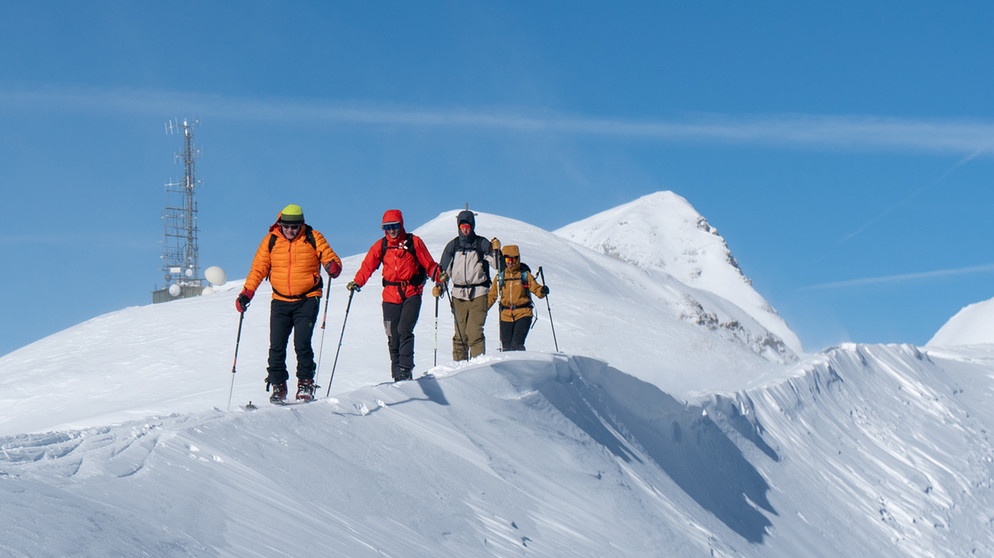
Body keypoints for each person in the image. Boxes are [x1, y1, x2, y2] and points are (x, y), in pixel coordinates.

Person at [235, 204, 342, 403]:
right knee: (276, 345)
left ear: (301, 224)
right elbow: (258, 269)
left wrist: (332, 266)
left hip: (307, 299)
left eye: (294, 227)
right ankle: (278, 385)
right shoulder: (271, 241)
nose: (290, 231)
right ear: (280, 224)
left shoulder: (313, 237)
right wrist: (246, 293)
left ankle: (305, 384)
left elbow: (329, 256)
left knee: (301, 343)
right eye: (286, 226)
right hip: (280, 300)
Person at [347, 209, 447, 381]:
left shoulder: (414, 242)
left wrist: (439, 275)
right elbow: (367, 266)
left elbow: (429, 264)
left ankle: (406, 370)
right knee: (392, 335)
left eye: (394, 226)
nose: (391, 230)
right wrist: (357, 282)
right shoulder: (381, 245)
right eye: (387, 227)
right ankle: (397, 373)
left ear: (401, 225)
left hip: (412, 293)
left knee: (404, 330)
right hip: (390, 296)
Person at [434, 210, 502, 361]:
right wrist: (439, 285)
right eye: (462, 226)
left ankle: (477, 367)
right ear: (458, 226)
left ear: (472, 226)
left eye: (468, 226)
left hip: (479, 293)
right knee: (460, 334)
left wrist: (497, 251)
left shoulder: (481, 244)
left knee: (474, 333)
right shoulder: (452, 246)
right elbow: (443, 269)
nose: (465, 229)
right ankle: (459, 370)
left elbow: (497, 265)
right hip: (458, 295)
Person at [487, 244, 549, 351]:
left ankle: (521, 365)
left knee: (517, 344)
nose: (510, 262)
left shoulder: (524, 275)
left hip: (523, 313)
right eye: (507, 259)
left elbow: (536, 289)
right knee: (506, 347)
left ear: (517, 259)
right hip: (505, 315)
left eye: (513, 259)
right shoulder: (500, 277)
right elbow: (492, 295)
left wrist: (542, 291)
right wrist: (481, 309)